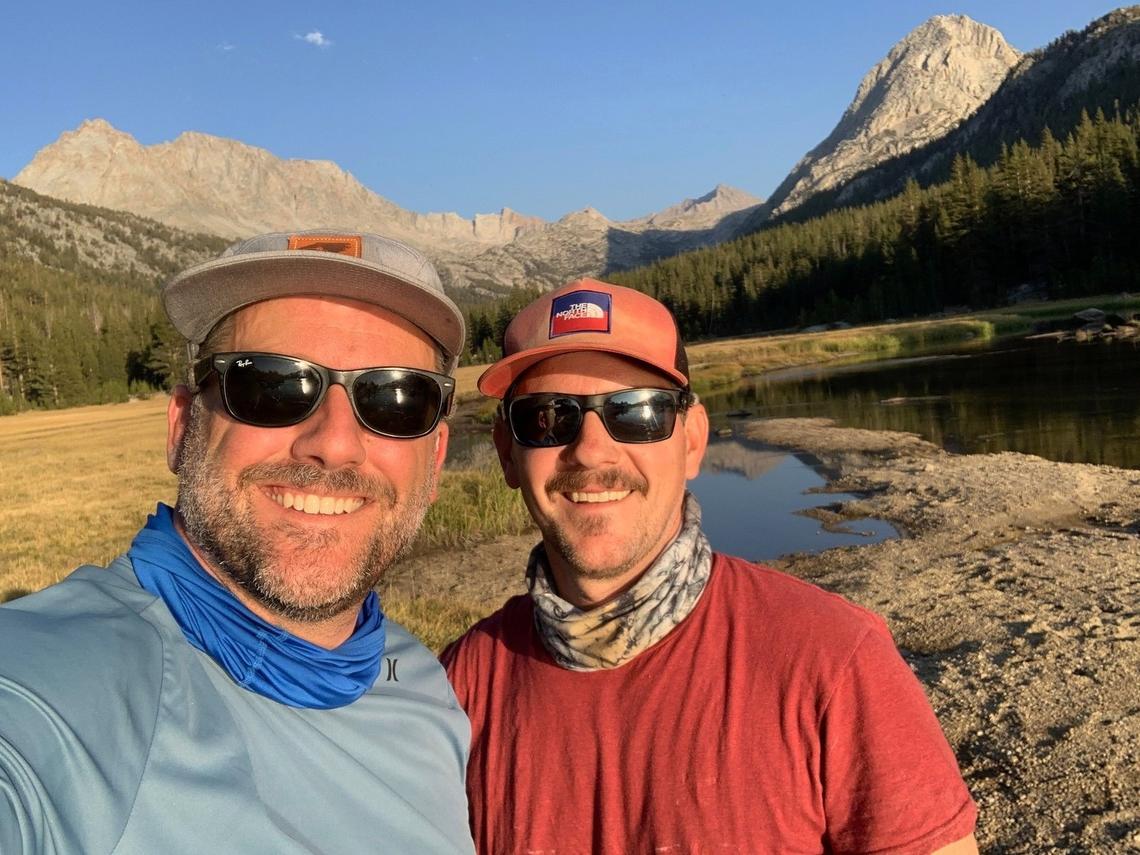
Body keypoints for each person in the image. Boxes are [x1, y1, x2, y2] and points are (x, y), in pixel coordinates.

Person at [442, 279, 979, 854]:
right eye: (548, 417)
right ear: (507, 452)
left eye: (637, 412)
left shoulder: (835, 659)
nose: (592, 451)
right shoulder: (457, 688)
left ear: (693, 441)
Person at [0, 231, 476, 854]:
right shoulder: (57, 691)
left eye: (396, 399)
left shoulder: (420, 681)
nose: (334, 444)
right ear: (182, 427)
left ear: (434, 461)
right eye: (271, 386)